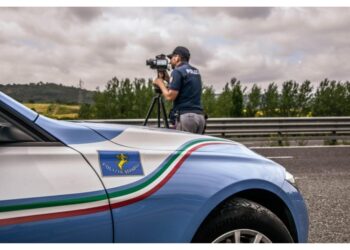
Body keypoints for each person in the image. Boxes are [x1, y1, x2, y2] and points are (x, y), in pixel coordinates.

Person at [153, 46, 206, 134]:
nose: (170, 61)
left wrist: (160, 83)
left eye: (172, 58)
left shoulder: (178, 71)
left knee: (183, 147)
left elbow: (170, 96)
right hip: (200, 117)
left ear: (177, 57)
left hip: (187, 117)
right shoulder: (195, 71)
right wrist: (168, 79)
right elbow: (185, 89)